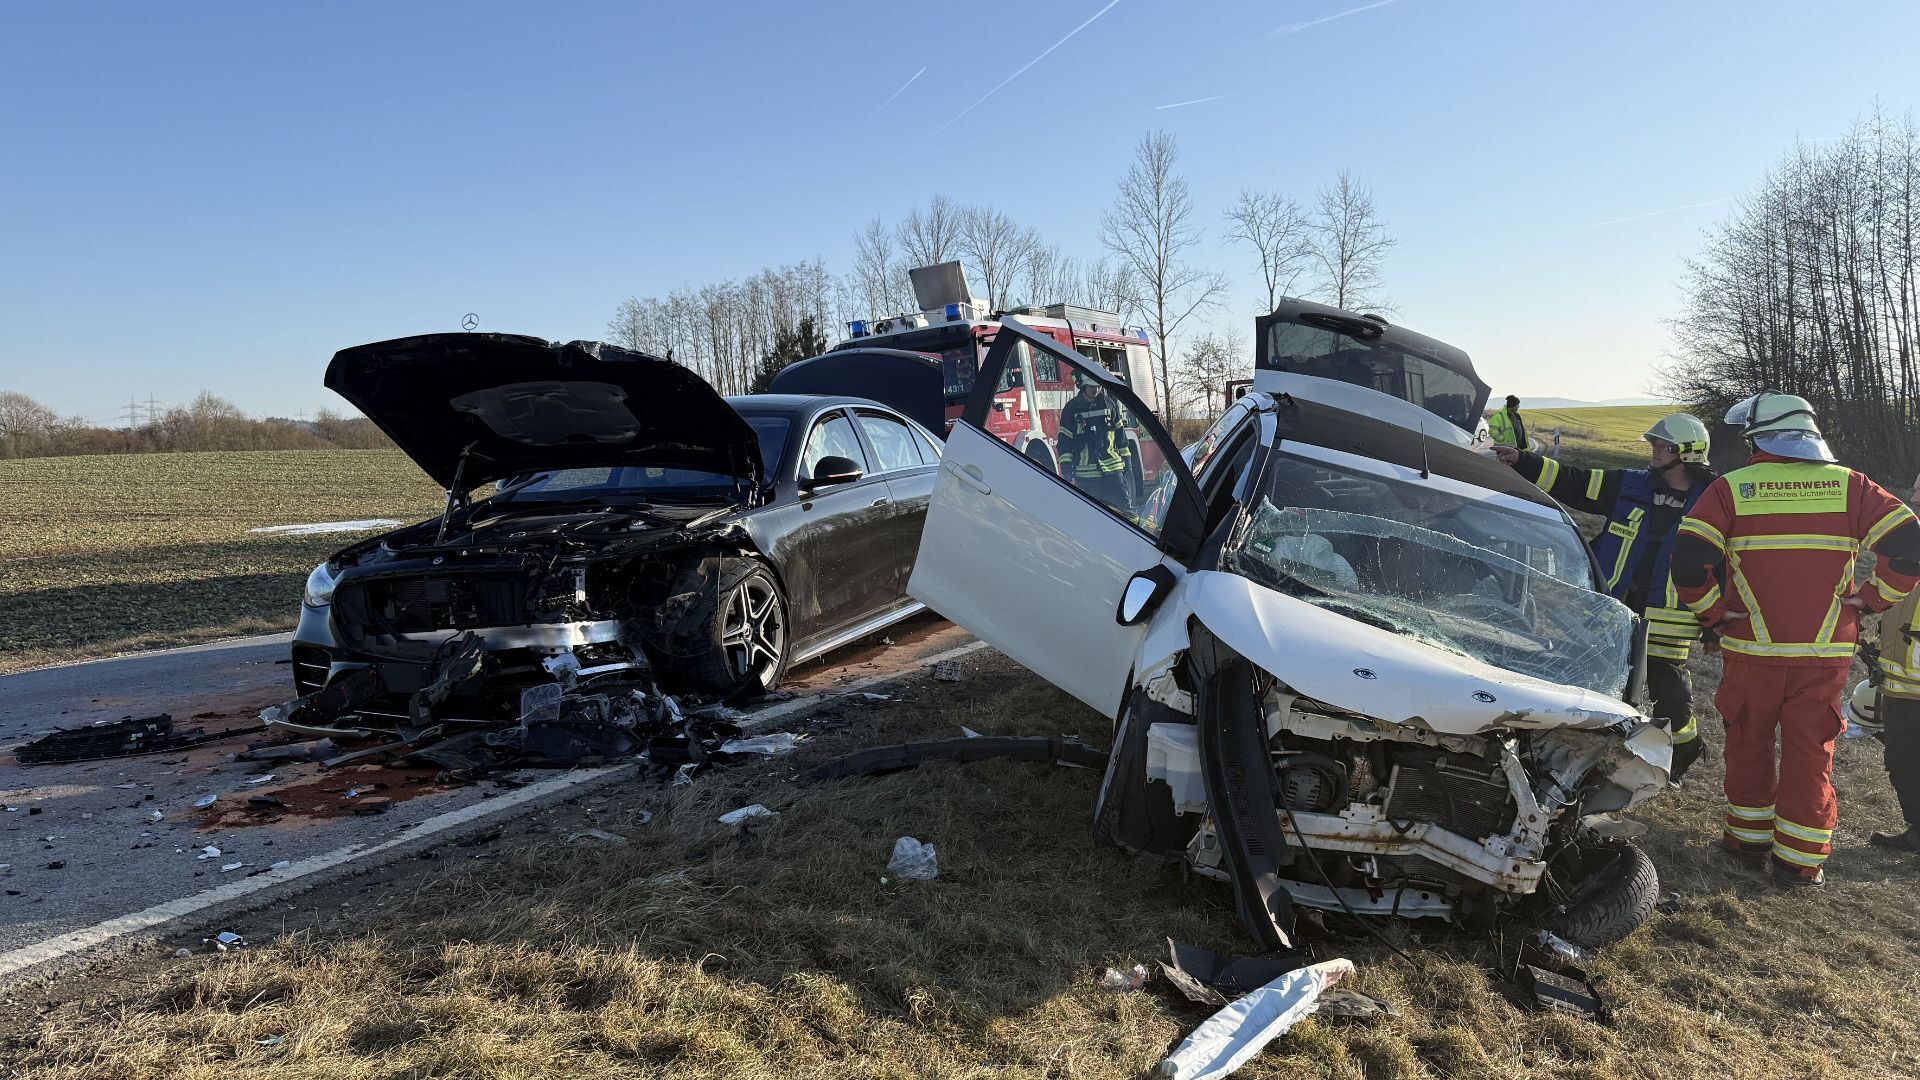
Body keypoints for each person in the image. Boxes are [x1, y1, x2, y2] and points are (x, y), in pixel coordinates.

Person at [1670, 392, 1920, 887]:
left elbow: (1687, 560)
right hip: (1823, 653)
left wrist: (1715, 615)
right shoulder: (1852, 486)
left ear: (1759, 438)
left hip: (1750, 649)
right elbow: (1910, 547)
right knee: (1812, 752)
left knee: (1748, 742)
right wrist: (1872, 599)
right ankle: (1801, 861)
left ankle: (1748, 841)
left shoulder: (1731, 488)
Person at [1495, 412, 1715, 781]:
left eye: (1663, 446)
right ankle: (1583, 755)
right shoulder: (1627, 485)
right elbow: (1573, 482)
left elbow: (1725, 565)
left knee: (1670, 694)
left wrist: (1714, 626)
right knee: (1594, 678)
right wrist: (1525, 461)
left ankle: (1683, 751)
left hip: (1671, 617)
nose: (1654, 451)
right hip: (1613, 608)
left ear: (1687, 453)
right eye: (1655, 445)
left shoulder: (1714, 501)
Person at [1870, 469, 1920, 854]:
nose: (1915, 502)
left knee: (1907, 759)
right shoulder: (1908, 543)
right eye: (1915, 492)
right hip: (1902, 681)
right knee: (1901, 759)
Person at [1057, 372, 1134, 512]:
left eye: (1098, 386)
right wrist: (1066, 468)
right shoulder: (1071, 409)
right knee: (1093, 515)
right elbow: (1065, 441)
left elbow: (1120, 436)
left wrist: (1127, 462)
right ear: (1083, 386)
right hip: (1087, 477)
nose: (1096, 390)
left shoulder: (1110, 404)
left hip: (1113, 471)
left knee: (1126, 512)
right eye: (1092, 386)